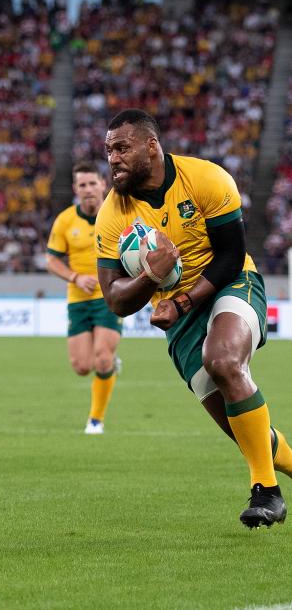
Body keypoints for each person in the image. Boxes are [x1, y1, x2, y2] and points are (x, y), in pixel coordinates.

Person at [95, 108, 292, 528]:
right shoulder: (112, 214)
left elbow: (231, 256)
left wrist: (182, 301)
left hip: (231, 284)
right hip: (176, 318)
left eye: (122, 147)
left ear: (152, 146)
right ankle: (271, 476)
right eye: (108, 150)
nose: (113, 158)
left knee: (222, 361)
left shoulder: (206, 179)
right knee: (247, 432)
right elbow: (115, 300)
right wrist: (151, 275)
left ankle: (267, 492)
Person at [46, 162, 122, 435]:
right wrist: (76, 278)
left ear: (104, 184)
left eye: (93, 183)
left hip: (111, 295)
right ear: (76, 189)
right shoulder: (66, 220)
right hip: (78, 298)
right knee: (81, 367)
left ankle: (95, 420)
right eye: (82, 185)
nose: (88, 189)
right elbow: (52, 260)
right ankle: (112, 365)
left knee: (101, 359)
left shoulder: (120, 213)